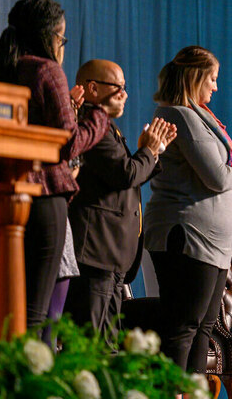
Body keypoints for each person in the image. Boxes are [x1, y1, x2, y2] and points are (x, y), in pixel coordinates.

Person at [0, 0, 110, 335]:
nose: (61, 47)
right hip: (43, 197)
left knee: (2, 306)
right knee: (34, 313)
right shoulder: (46, 70)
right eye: (62, 39)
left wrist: (68, 108)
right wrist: (98, 115)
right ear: (49, 36)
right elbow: (66, 144)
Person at [143, 46, 232, 377]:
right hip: (188, 237)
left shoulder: (198, 114)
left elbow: (217, 168)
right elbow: (218, 177)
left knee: (203, 328)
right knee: (183, 328)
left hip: (212, 244)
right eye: (213, 79)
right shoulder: (178, 113)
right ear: (195, 78)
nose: (216, 87)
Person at [65, 59, 176, 349]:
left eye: (125, 88)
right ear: (92, 88)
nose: (125, 94)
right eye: (118, 88)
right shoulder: (91, 127)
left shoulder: (105, 127)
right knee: (92, 348)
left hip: (111, 258)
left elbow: (128, 173)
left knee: (108, 347)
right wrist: (149, 151)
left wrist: (150, 153)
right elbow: (126, 173)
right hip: (95, 254)